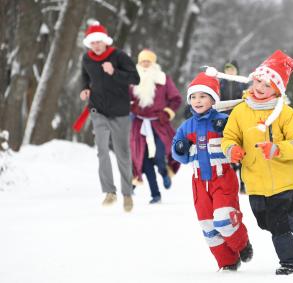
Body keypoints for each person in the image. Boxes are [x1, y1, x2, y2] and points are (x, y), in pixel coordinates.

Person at [221, 50, 293, 275]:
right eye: (259, 80)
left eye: (268, 85)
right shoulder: (240, 110)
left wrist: (278, 149)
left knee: (279, 224)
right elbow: (229, 137)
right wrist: (232, 149)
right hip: (254, 179)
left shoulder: (284, 113)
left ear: (277, 90)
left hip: (283, 179)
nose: (260, 87)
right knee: (263, 220)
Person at [171, 72, 253, 271]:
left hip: (222, 177)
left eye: (203, 96)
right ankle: (228, 263)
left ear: (213, 99)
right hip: (199, 183)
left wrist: (228, 132)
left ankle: (242, 244)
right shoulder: (186, 126)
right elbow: (176, 151)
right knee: (208, 225)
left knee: (224, 219)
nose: (197, 101)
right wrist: (180, 148)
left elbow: (239, 140)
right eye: (193, 97)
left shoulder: (224, 120)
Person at [79, 22, 140, 212]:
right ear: (89, 44)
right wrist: (84, 90)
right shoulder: (86, 59)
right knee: (102, 150)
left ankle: (127, 194)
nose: (96, 46)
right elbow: (85, 77)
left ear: (105, 42)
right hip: (98, 110)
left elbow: (135, 78)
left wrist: (115, 72)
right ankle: (109, 192)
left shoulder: (119, 56)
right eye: (93, 43)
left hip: (120, 112)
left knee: (122, 152)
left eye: (99, 42)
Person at [130, 49, 182, 204]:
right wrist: (132, 107)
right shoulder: (132, 79)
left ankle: (164, 171)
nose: (145, 63)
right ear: (139, 62)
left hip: (159, 123)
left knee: (160, 155)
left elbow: (176, 99)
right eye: (142, 61)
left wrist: (167, 112)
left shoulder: (163, 79)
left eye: (148, 61)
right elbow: (124, 99)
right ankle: (155, 195)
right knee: (144, 160)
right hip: (139, 125)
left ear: (153, 63)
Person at [219, 60, 248, 194]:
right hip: (224, 121)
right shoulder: (220, 84)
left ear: (236, 70)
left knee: (241, 151)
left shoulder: (242, 84)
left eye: (232, 69)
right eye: (227, 69)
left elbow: (246, 100)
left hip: (240, 121)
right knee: (228, 152)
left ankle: (243, 184)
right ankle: (232, 184)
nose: (229, 71)